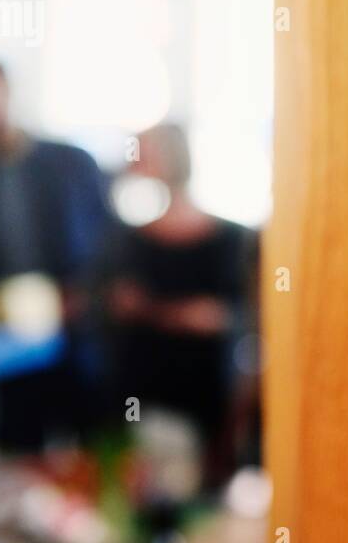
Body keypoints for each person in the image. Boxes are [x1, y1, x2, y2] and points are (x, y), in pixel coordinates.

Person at [0, 61, 111, 452]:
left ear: (9, 92)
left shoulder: (72, 164)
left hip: (75, 333)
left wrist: (84, 297)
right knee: (17, 446)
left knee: (92, 448)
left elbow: (108, 244)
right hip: (7, 343)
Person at [105, 123, 257, 494]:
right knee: (156, 490)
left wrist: (160, 312)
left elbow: (226, 316)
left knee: (199, 495)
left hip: (204, 392)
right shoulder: (131, 241)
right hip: (150, 391)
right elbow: (120, 307)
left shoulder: (230, 240)